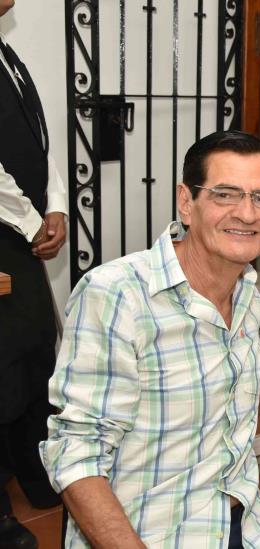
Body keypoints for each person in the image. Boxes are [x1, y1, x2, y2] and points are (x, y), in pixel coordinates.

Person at [40, 131, 260, 549]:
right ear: (186, 201)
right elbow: (77, 454)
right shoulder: (118, 294)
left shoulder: (247, 298)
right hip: (150, 536)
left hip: (245, 527)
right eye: (226, 194)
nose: (248, 214)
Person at [0, 1, 67, 546]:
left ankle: (39, 477)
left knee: (37, 350)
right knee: (4, 362)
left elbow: (39, 141)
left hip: (22, 228)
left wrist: (56, 205)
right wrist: (28, 220)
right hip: (4, 232)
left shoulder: (9, 53)